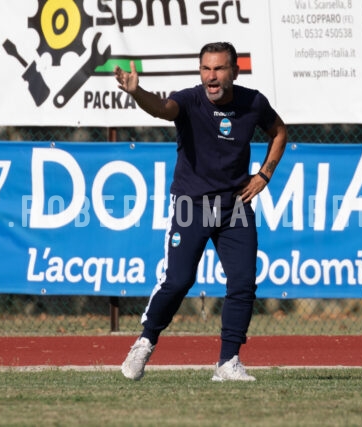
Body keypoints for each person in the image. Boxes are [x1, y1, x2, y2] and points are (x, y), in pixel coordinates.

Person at [114, 42, 287, 381]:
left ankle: (228, 362)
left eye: (219, 69)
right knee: (178, 280)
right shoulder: (190, 99)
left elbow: (279, 132)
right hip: (191, 206)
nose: (212, 76)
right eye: (206, 68)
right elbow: (162, 109)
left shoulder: (253, 102)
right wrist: (137, 93)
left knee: (243, 283)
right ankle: (145, 342)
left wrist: (264, 175)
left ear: (234, 72)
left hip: (234, 207)